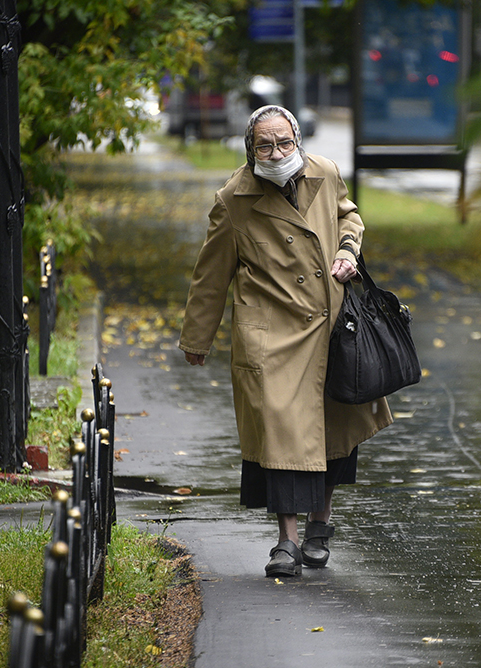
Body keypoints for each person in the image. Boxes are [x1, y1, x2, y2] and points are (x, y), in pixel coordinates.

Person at [178, 105, 393, 577]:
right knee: (281, 440)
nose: (275, 153)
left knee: (334, 433)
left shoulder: (326, 174)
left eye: (284, 143)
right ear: (249, 149)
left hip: (333, 326)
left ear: (298, 141)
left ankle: (321, 526)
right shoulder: (234, 197)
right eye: (264, 145)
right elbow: (211, 274)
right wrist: (198, 337)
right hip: (272, 336)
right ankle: (286, 542)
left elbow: (350, 218)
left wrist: (347, 251)